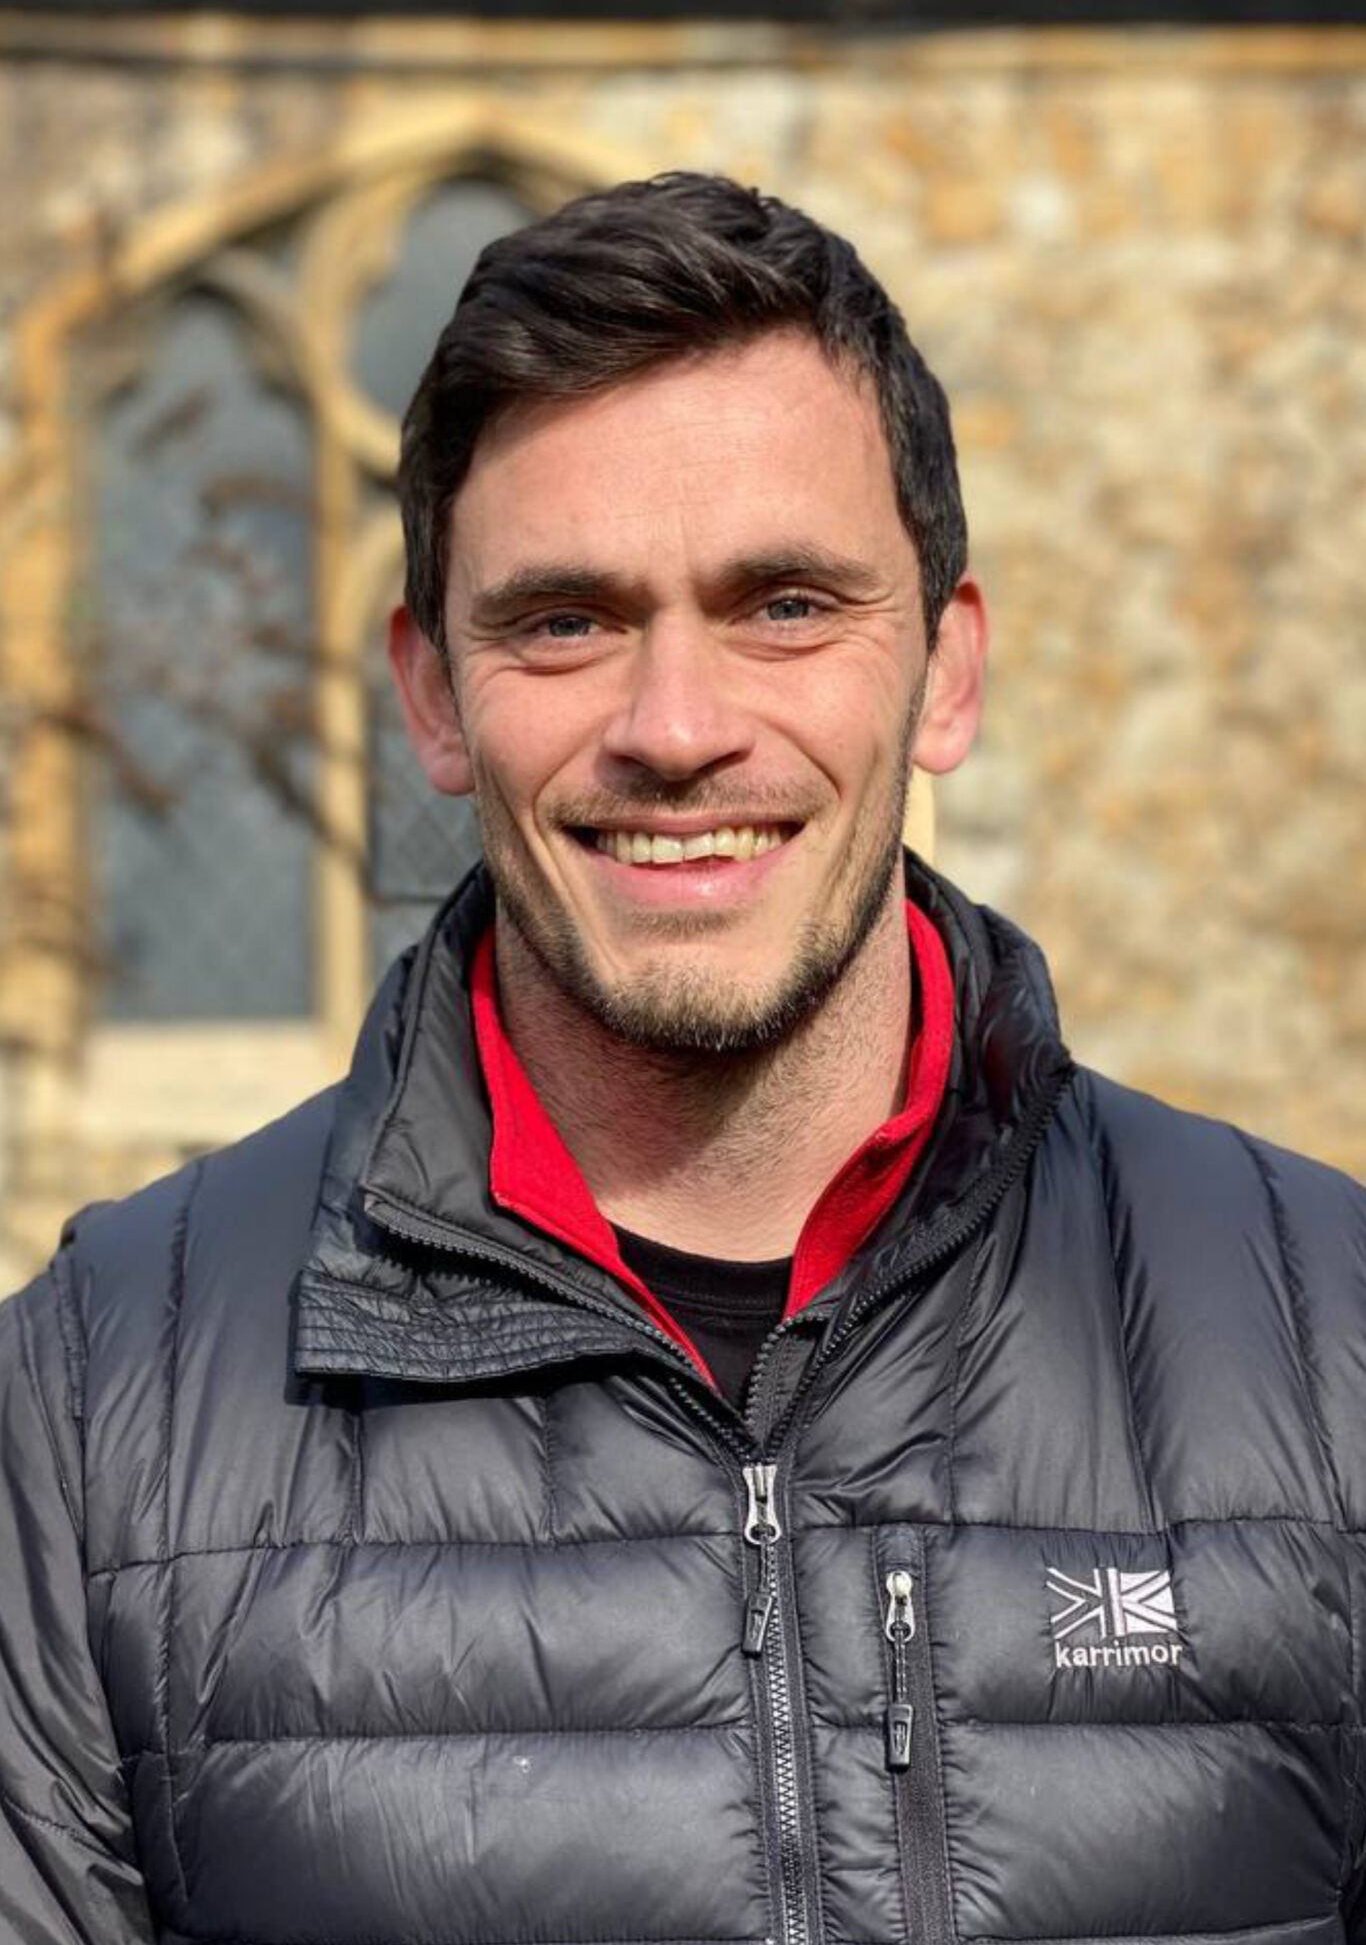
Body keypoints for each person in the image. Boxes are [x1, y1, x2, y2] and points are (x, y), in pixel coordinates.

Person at [2, 171, 1364, 1945]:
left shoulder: (1327, 1338)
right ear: (430, 696)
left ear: (945, 672)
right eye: (563, 620)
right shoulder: (100, 1405)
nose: (677, 728)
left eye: (785, 603)